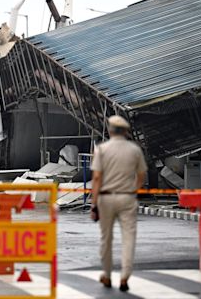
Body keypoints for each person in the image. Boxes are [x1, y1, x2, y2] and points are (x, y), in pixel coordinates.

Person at [90, 115, 148, 292]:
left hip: (106, 198)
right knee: (128, 238)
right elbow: (141, 175)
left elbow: (97, 178)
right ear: (125, 132)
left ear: (110, 130)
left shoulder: (102, 149)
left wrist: (94, 205)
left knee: (106, 238)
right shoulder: (134, 150)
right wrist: (134, 190)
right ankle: (125, 276)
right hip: (127, 197)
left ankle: (107, 275)